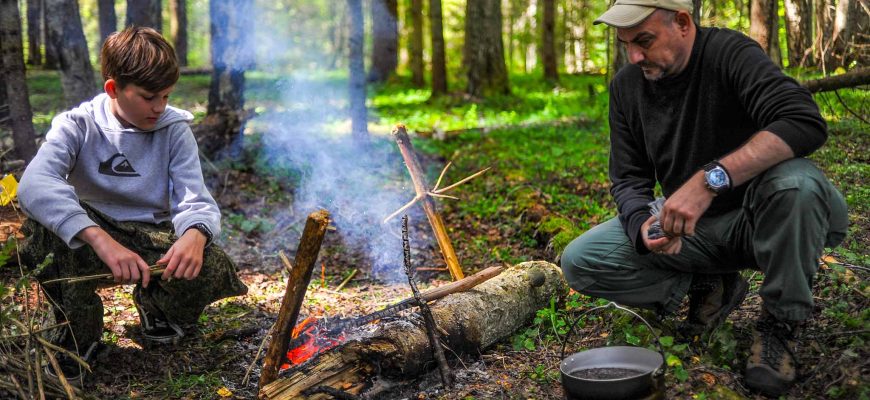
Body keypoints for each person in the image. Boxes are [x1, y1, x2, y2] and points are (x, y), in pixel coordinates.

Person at [559, 0, 848, 396]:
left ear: (681, 22)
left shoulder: (730, 54)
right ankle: (712, 282)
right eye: (626, 44)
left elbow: (802, 120)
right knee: (581, 261)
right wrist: (643, 226)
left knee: (795, 183)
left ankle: (780, 323)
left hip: (767, 216)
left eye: (644, 40)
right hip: (696, 231)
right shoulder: (627, 86)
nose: (635, 55)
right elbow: (628, 179)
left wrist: (712, 179)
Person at [18, 27, 248, 381]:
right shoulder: (77, 125)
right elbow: (34, 183)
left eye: (166, 96)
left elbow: (195, 198)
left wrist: (196, 234)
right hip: (89, 239)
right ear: (113, 88)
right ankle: (77, 336)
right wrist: (98, 238)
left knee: (211, 265)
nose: (159, 107)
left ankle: (156, 305)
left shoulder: (174, 130)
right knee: (43, 228)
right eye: (148, 97)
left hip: (148, 237)